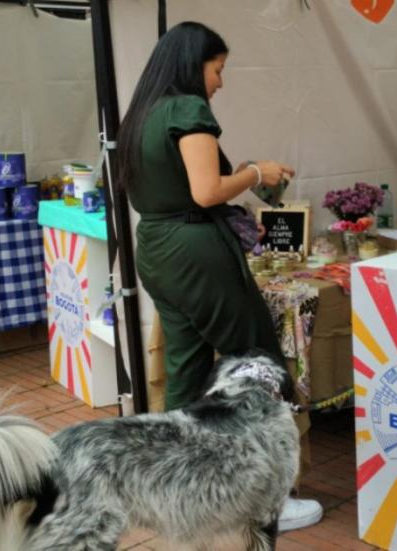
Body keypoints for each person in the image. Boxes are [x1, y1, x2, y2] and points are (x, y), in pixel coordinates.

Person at [116, 21, 321, 532]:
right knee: (258, 362)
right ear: (194, 65)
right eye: (218, 69)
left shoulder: (139, 115)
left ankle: (179, 490)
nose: (220, 82)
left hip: (157, 248)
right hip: (196, 250)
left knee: (186, 368)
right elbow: (208, 191)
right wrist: (257, 173)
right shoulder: (189, 110)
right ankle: (265, 501)